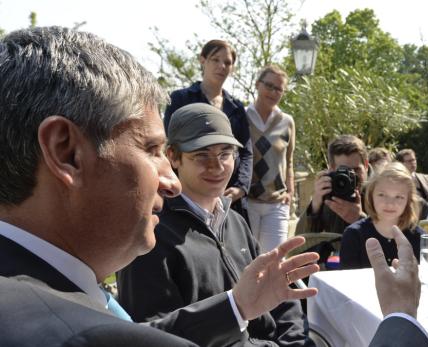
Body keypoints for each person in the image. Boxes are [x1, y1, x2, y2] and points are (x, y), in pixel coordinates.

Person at [0, 26, 321, 347]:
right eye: (152, 150)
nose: (169, 182)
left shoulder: (235, 222)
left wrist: (239, 307)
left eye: (226, 154)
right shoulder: (79, 335)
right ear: (66, 151)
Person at [118, 103, 311, 346]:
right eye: (201, 155)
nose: (217, 166)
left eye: (225, 154)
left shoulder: (236, 222)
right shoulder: (150, 233)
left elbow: (281, 299)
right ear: (173, 157)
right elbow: (153, 336)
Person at [164, 39, 252, 218]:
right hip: (186, 197)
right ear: (202, 60)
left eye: (227, 62)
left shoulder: (237, 107)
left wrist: (241, 187)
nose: (222, 66)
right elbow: (169, 144)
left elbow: (246, 150)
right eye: (215, 59)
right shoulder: (180, 98)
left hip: (230, 199)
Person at [246, 65, 295, 252]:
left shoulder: (287, 121)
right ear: (258, 85)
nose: (274, 92)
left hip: (277, 203)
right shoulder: (243, 117)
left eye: (279, 89)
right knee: (247, 260)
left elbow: (289, 161)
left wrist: (291, 194)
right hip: (248, 201)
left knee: (274, 260)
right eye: (269, 86)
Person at [340, 162, 423, 269]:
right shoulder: (354, 235)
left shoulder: (419, 238)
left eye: (399, 197)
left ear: (409, 200)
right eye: (382, 195)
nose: (390, 203)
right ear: (371, 195)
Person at [296, 135, 369, 235]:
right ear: (331, 169)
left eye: (356, 170)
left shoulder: (379, 193)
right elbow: (301, 241)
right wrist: (314, 207)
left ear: (366, 165)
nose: (350, 177)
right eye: (344, 172)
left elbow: (388, 241)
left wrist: (359, 219)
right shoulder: (328, 195)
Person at [396, 148, 428, 219]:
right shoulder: (398, 180)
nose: (413, 163)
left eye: (414, 160)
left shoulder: (423, 177)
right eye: (409, 161)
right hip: (411, 217)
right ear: (401, 164)